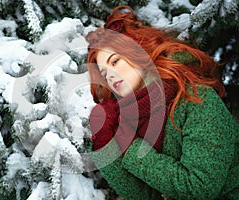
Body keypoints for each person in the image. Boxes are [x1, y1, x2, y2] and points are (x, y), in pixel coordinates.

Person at [85, 5, 239, 200]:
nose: (110, 76)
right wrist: (105, 142)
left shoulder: (197, 100)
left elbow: (199, 188)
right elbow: (145, 196)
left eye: (115, 62)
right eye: (104, 73)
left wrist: (132, 149)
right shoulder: (131, 121)